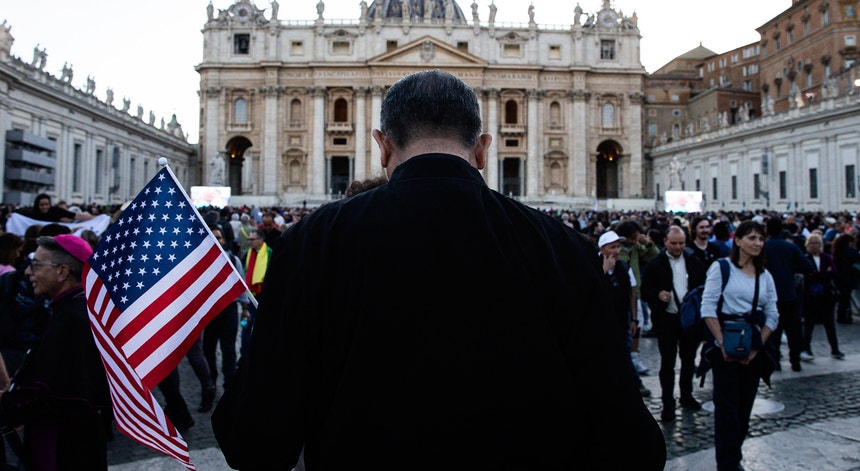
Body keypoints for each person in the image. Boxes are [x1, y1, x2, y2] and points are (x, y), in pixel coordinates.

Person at [212, 69, 666, 470]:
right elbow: (633, 442)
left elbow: (253, 438)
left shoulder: (311, 243)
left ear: (382, 146)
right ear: (483, 149)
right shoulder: (564, 248)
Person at [0, 235, 112, 469]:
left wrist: (10, 405)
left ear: (62, 272)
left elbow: (55, 393)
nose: (28, 272)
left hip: (66, 444)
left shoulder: (73, 318)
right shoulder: (70, 308)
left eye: (36, 265)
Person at [700, 220, 779, 471]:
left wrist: (756, 347)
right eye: (752, 238)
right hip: (724, 343)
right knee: (727, 409)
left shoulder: (765, 275)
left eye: (761, 239)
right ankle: (728, 464)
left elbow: (772, 314)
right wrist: (722, 342)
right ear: (738, 240)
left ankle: (734, 455)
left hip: (752, 345)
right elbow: (708, 307)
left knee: (744, 408)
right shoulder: (721, 268)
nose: (758, 243)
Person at [641, 225, 707, 422]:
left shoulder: (694, 262)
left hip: (689, 321)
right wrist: (657, 294)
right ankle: (668, 403)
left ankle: (686, 395)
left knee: (689, 361)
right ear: (665, 242)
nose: (678, 247)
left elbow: (703, 288)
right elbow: (645, 291)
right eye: (674, 243)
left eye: (681, 243)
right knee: (667, 363)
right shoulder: (655, 264)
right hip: (667, 320)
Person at [598, 230, 651, 398]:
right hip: (603, 320)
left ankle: (632, 383)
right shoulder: (593, 265)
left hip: (622, 317)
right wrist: (604, 270)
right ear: (602, 249)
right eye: (612, 247)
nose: (616, 250)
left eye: (618, 246)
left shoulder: (623, 266)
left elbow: (632, 293)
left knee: (624, 352)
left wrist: (634, 318)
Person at [764, 216, 814, 372]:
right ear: (781, 230)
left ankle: (775, 361)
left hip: (770, 296)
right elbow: (807, 265)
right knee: (794, 331)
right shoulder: (790, 247)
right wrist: (791, 269)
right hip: (789, 294)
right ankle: (795, 361)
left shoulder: (764, 247)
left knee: (773, 330)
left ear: (767, 230)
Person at [203, 227, 250, 392]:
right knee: (208, 348)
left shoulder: (233, 260)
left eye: (219, 237)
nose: (217, 240)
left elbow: (241, 285)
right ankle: (210, 383)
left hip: (229, 309)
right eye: (214, 237)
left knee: (228, 348)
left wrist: (245, 307)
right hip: (211, 310)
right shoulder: (202, 261)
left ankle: (230, 385)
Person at [615, 219, 659, 375]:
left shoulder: (636, 248)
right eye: (632, 238)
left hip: (635, 293)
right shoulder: (615, 249)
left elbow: (654, 256)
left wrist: (648, 244)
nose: (634, 241)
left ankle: (634, 356)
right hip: (619, 296)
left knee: (636, 324)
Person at [800, 233, 844, 360]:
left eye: (817, 243)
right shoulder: (806, 258)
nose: (815, 245)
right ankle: (806, 347)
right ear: (808, 245)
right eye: (812, 243)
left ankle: (835, 349)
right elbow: (808, 275)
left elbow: (833, 272)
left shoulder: (827, 257)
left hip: (826, 296)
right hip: (811, 296)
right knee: (809, 324)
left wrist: (817, 275)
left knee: (829, 324)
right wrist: (824, 274)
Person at [239, 229, 271, 358]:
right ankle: (244, 356)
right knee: (247, 325)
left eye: (252, 239)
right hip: (250, 296)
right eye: (249, 239)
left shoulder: (270, 253)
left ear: (261, 240)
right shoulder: (248, 254)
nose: (249, 242)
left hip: (264, 296)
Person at [832, 233, 860, 324]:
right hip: (849, 276)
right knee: (846, 297)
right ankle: (846, 316)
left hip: (838, 277)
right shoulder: (851, 251)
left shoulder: (837, 251)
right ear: (849, 242)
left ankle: (841, 316)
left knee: (842, 297)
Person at [14, 193, 94, 222]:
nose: (45, 207)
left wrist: (95, 218)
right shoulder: (31, 212)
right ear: (37, 205)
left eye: (47, 204)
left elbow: (75, 216)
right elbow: (16, 213)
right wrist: (10, 215)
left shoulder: (56, 211)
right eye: (42, 205)